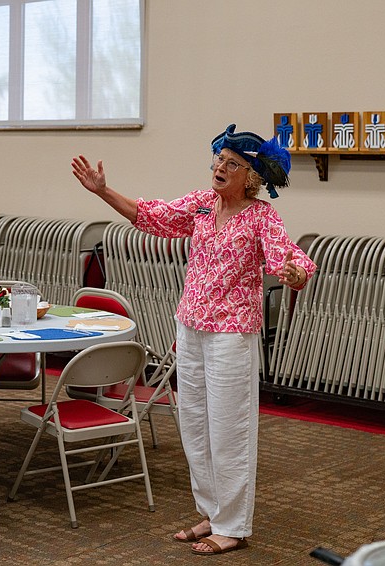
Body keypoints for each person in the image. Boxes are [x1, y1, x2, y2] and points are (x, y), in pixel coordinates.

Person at [71, 124, 317, 556]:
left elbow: (289, 259)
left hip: (231, 334)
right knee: (196, 428)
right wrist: (101, 192)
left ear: (251, 177)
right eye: (219, 160)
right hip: (191, 327)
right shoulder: (203, 204)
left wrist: (295, 274)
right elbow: (154, 215)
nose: (220, 167)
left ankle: (234, 525)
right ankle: (212, 512)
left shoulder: (260, 216)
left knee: (229, 429)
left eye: (231, 164)